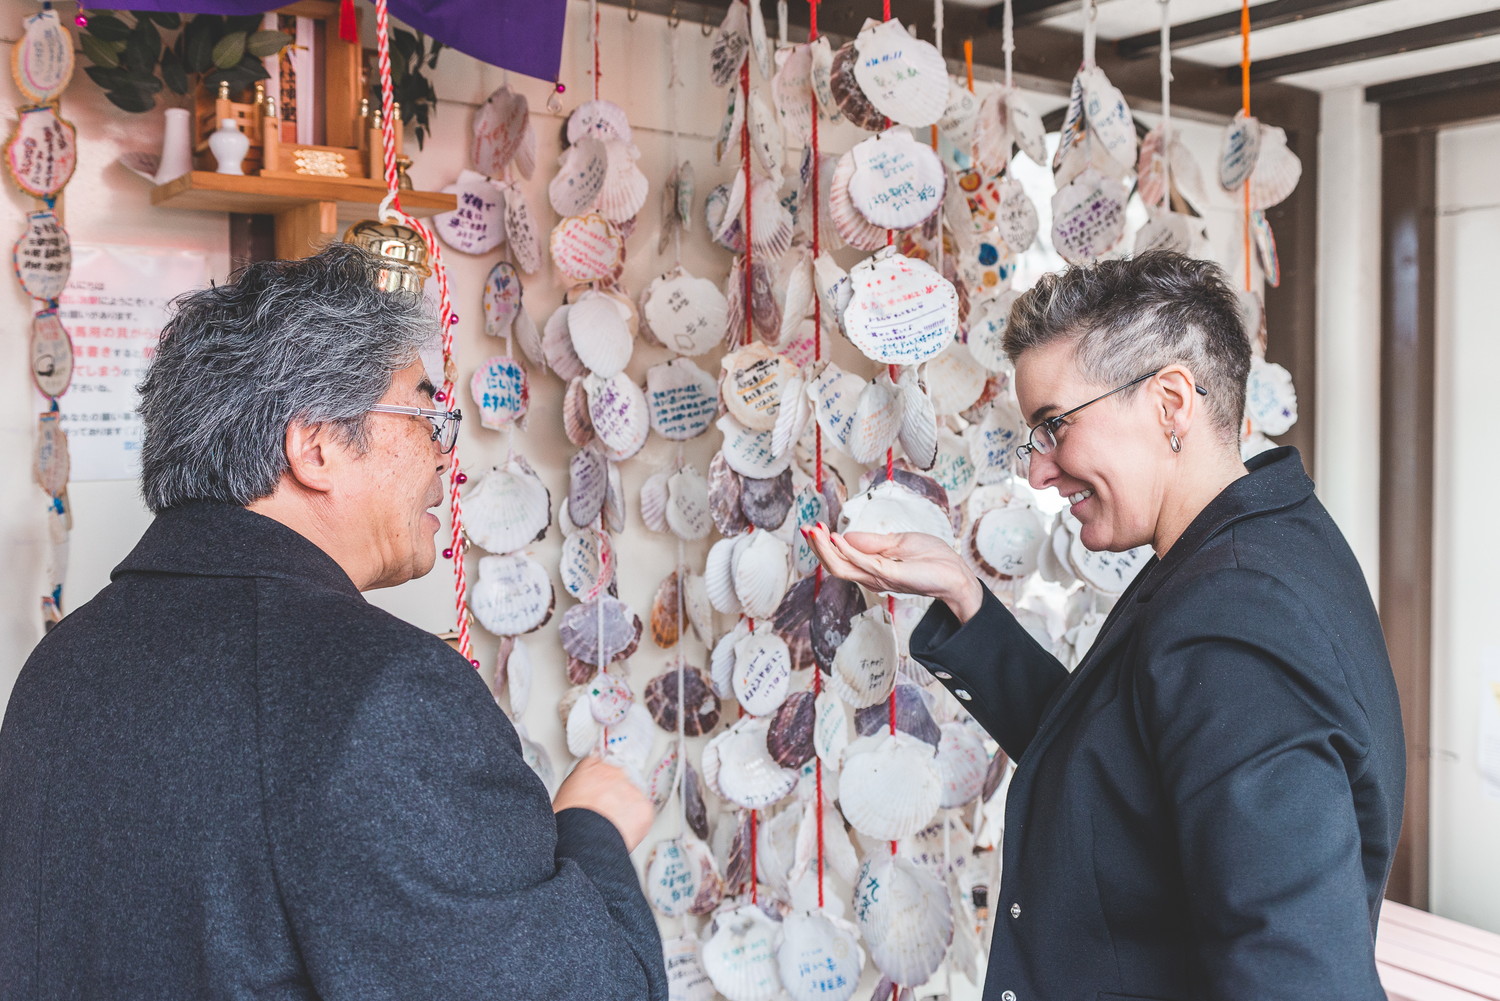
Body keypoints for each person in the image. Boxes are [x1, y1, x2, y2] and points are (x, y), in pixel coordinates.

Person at [0, 245, 667, 1001]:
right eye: (426, 416)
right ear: (314, 444)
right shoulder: (383, 693)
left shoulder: (60, 665)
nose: (447, 458)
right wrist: (590, 831)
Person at [805, 252, 1404, 1001]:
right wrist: (967, 597)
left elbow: (1297, 974)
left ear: (1171, 403)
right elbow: (1125, 766)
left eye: (1054, 426)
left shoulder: (1237, 615)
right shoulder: (1251, 540)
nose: (1038, 472)